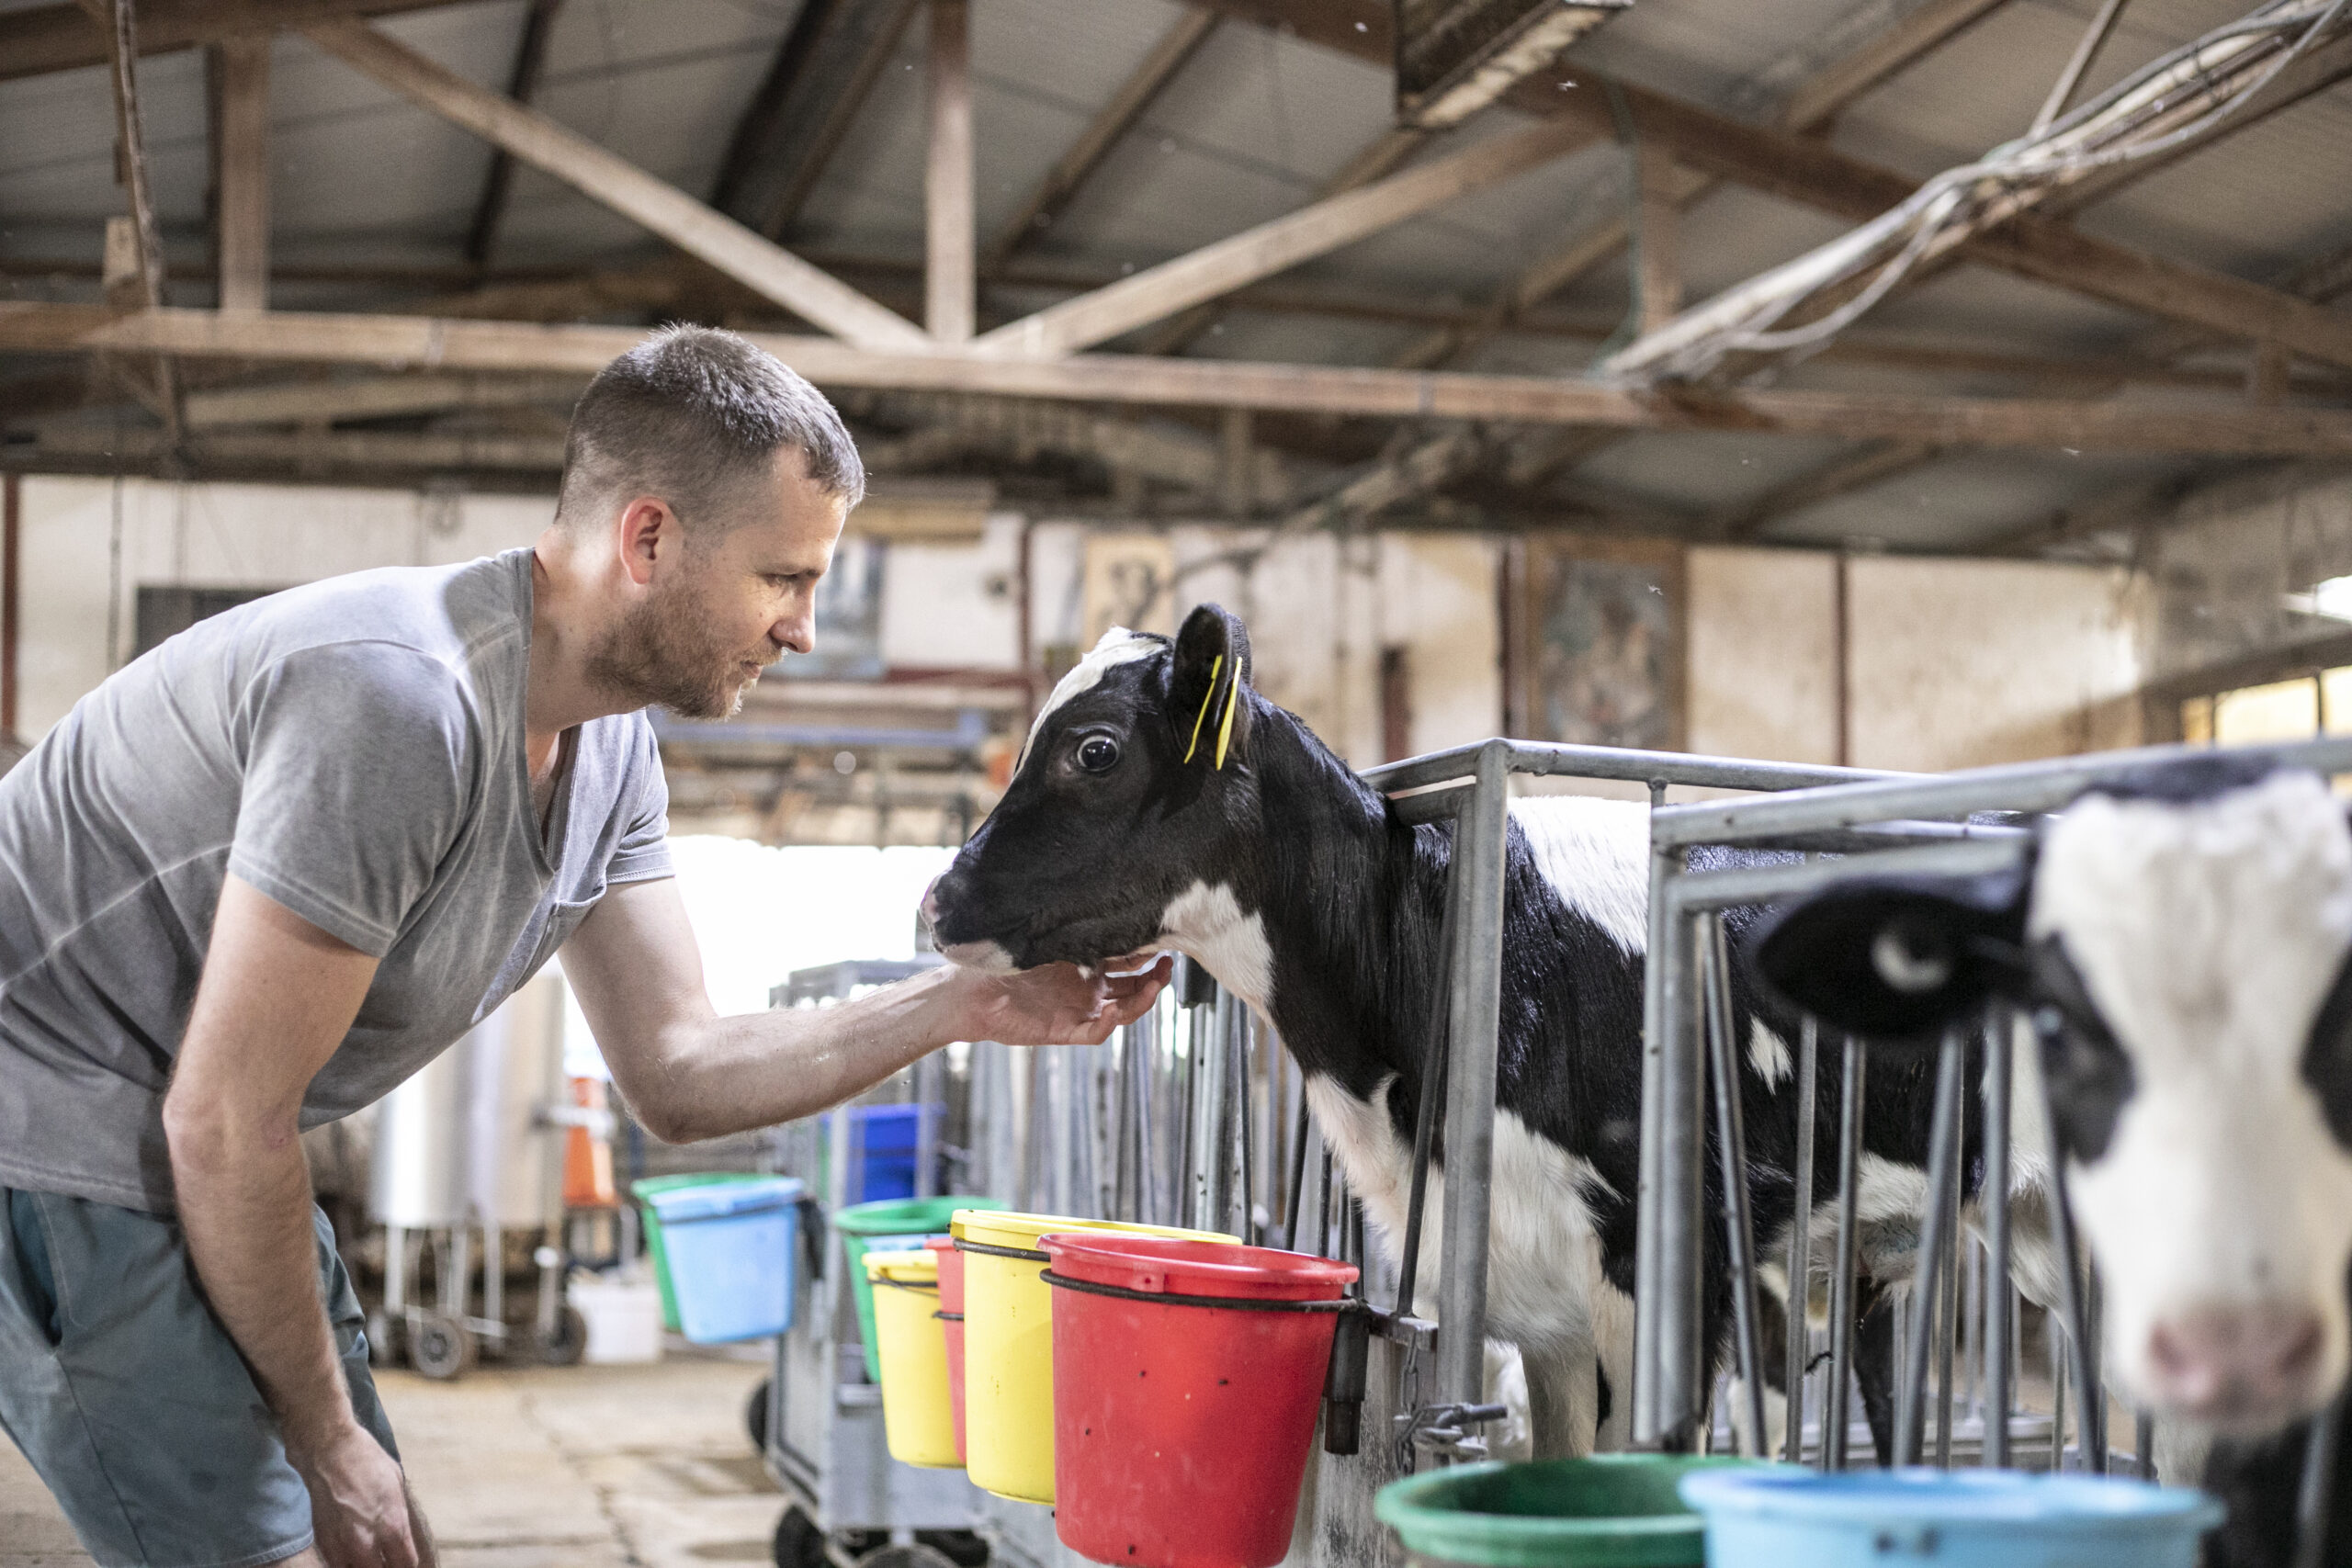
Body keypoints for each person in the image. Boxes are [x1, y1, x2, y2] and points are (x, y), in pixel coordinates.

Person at [0, 325, 1170, 1568]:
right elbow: (225, 1124)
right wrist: (331, 1442)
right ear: (648, 539)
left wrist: (961, 1003)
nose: (805, 630)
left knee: (374, 1543)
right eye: (783, 578)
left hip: (198, 1139)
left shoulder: (611, 753)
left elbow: (679, 1071)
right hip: (62, 1128)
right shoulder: (401, 701)